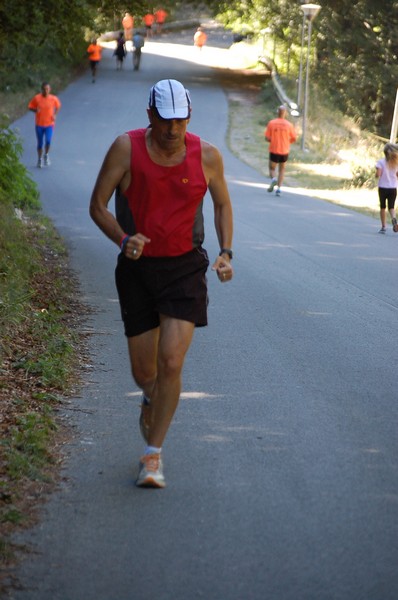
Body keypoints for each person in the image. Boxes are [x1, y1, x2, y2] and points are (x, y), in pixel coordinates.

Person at [89, 79, 234, 488]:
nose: (173, 129)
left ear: (189, 116)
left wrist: (227, 252)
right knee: (144, 371)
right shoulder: (126, 149)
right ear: (150, 115)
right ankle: (150, 396)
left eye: (181, 120)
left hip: (185, 268)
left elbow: (222, 203)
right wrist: (122, 238)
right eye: (166, 120)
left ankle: (152, 456)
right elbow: (97, 205)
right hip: (136, 269)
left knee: (172, 360)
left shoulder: (206, 155)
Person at [264, 105, 297, 196]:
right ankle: (279, 189)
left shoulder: (271, 123)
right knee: (282, 169)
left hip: (274, 149)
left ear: (277, 112)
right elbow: (294, 138)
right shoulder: (289, 125)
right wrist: (287, 142)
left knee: (272, 168)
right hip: (284, 150)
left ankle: (273, 179)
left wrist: (272, 140)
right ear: (285, 113)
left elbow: (267, 137)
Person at [28, 82, 61, 168]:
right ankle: (39, 159)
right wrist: (35, 110)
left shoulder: (53, 98)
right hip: (39, 124)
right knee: (40, 143)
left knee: (48, 141)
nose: (46, 91)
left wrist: (55, 114)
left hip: (49, 124)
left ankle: (46, 155)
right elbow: (30, 106)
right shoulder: (37, 98)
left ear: (50, 90)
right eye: (44, 89)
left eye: (47, 89)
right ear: (42, 89)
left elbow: (58, 106)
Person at [375, 142, 398, 234]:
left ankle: (383, 226)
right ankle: (394, 219)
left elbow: (378, 174)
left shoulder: (381, 162)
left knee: (383, 207)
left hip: (383, 187)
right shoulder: (396, 163)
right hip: (393, 188)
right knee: (391, 207)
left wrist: (376, 173)